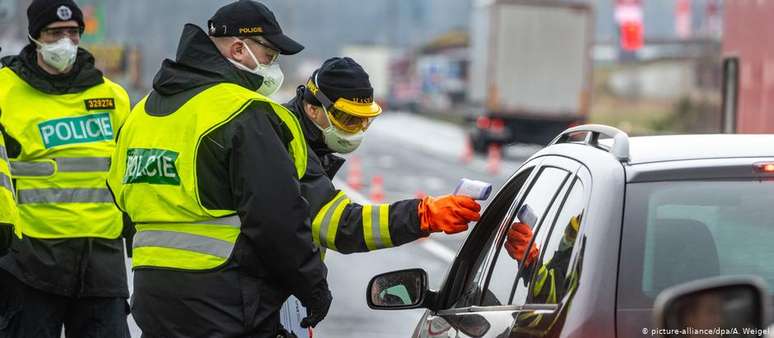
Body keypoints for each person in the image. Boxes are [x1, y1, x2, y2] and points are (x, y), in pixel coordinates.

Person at [106, 1, 332, 336]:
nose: (274, 66)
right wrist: (312, 287)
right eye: (269, 55)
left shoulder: (142, 112)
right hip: (226, 301)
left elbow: (119, 195)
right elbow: (276, 217)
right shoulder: (244, 113)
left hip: (153, 298)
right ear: (239, 49)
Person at [0, 1, 132, 337]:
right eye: (55, 33)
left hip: (101, 262)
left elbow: (127, 171)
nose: (65, 42)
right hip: (30, 260)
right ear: (35, 36)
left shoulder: (113, 97)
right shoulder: (6, 91)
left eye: (73, 33)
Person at [283, 57, 481, 257]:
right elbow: (339, 225)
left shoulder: (308, 138)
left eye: (364, 121)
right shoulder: (284, 140)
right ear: (313, 109)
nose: (358, 131)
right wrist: (422, 215)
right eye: (349, 120)